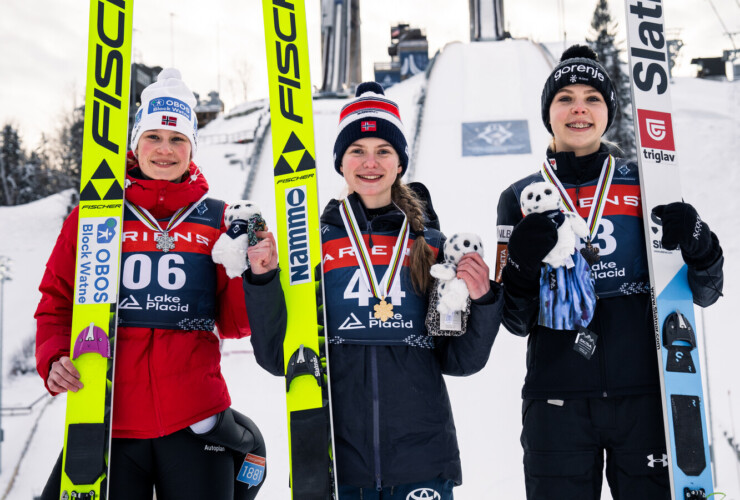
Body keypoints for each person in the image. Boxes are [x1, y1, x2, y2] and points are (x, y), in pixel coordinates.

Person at [243, 82, 504, 499]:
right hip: (333, 458)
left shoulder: (431, 246)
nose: (370, 162)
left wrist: (483, 299)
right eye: (357, 150)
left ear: (400, 162)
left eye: (384, 150)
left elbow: (459, 359)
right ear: (340, 163)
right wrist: (263, 281)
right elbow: (277, 357)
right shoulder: (308, 244)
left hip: (422, 459)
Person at [495, 45, 724, 500]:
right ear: (548, 113)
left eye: (592, 97)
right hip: (555, 403)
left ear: (609, 112)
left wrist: (697, 236)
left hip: (646, 397)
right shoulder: (520, 196)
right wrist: (520, 263)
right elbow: (515, 319)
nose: (578, 107)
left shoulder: (646, 181)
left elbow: (707, 289)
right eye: (565, 97)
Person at [35, 69, 266, 499]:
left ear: (192, 148)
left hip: (196, 419)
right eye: (153, 137)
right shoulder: (98, 214)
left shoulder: (219, 218)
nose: (164, 149)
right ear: (135, 143)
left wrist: (251, 271)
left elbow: (235, 324)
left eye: (177, 139)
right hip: (109, 420)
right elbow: (56, 300)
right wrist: (53, 356)